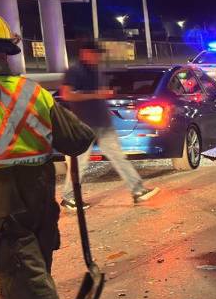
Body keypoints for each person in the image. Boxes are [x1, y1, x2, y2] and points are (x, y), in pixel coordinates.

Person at [0, 12, 96, 299]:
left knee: (23, 273)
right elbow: (80, 139)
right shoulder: (32, 93)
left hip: (2, 202)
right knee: (26, 270)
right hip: (38, 195)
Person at [60, 42, 158, 208]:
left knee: (119, 157)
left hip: (102, 124)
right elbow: (67, 94)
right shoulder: (75, 71)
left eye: (99, 54)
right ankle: (69, 197)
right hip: (84, 125)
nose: (98, 57)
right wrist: (95, 94)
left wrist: (104, 94)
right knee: (80, 162)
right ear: (85, 53)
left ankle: (137, 190)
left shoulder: (96, 71)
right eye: (95, 53)